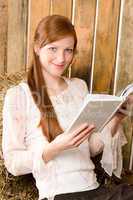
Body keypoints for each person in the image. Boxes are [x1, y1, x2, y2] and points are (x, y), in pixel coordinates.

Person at [2, 15, 133, 200]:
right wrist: (54, 148)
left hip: (94, 190)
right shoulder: (19, 95)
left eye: (68, 50)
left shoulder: (78, 87)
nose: (61, 58)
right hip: (60, 195)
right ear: (37, 48)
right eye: (53, 49)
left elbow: (92, 148)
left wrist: (117, 118)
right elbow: (13, 163)